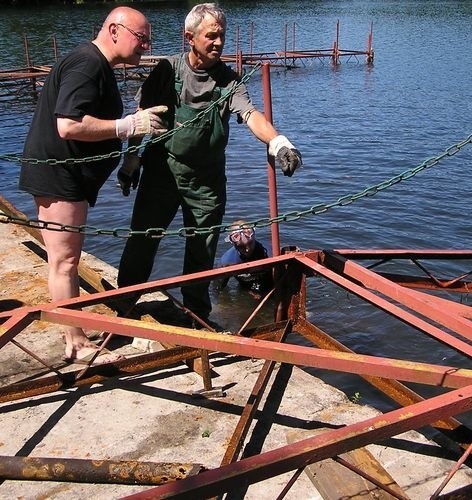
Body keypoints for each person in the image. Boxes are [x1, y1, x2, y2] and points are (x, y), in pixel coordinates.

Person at [116, 3, 302, 326]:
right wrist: (131, 161)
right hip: (162, 173)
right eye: (211, 36)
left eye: (222, 36)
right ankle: (122, 303)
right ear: (190, 37)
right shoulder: (168, 71)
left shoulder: (228, 81)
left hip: (206, 183)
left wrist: (279, 142)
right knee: (143, 240)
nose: (218, 43)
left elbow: (251, 115)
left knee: (201, 253)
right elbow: (142, 119)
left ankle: (195, 318)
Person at [18, 7, 168, 364]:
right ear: (115, 30)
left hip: (65, 176)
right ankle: (76, 341)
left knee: (64, 259)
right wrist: (128, 126)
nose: (146, 46)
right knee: (65, 261)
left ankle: (74, 335)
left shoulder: (95, 63)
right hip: (60, 177)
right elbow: (68, 125)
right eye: (141, 37)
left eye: (148, 39)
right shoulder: (87, 63)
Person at [216, 220, 274, 297]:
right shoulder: (227, 262)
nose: (247, 250)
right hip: (245, 291)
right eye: (241, 247)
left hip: (271, 289)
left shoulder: (271, 253)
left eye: (250, 244)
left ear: (254, 236)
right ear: (232, 243)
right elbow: (218, 289)